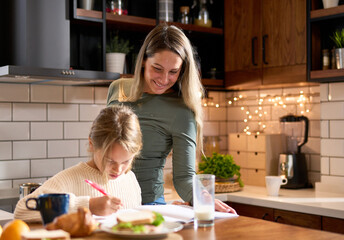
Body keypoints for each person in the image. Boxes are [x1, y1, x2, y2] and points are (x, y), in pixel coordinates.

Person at [107, 24, 236, 214]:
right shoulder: (117, 89)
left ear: (182, 70)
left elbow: (184, 178)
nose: (164, 79)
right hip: (107, 202)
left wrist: (205, 199)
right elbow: (102, 148)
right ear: (143, 61)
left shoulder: (182, 110)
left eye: (173, 71)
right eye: (157, 68)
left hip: (147, 206)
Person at [14, 106, 143, 222]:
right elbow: (22, 210)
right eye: (110, 160)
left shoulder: (130, 179)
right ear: (91, 144)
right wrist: (89, 205)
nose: (118, 169)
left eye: (126, 161)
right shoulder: (70, 179)